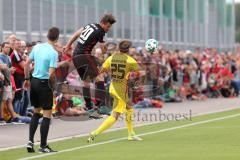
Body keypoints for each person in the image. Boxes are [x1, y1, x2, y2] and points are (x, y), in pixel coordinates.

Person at [87, 40, 143, 143]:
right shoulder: (130, 60)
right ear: (128, 50)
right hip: (120, 90)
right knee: (115, 115)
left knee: (129, 108)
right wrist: (135, 82)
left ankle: (131, 134)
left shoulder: (111, 58)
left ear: (119, 48)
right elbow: (141, 72)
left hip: (113, 87)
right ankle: (95, 133)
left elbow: (101, 70)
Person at [64, 13, 116, 111]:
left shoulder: (90, 25)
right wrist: (105, 50)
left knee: (86, 83)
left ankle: (89, 107)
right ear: (103, 23)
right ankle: (102, 107)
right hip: (84, 56)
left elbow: (76, 34)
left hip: (76, 56)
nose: (108, 29)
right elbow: (103, 49)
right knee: (100, 78)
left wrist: (68, 45)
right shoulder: (100, 31)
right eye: (108, 26)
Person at [24, 27, 60, 153]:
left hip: (33, 82)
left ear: (47, 35)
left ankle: (30, 141)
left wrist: (27, 79)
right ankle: (43, 146)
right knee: (47, 115)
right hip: (44, 84)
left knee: (36, 112)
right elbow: (51, 74)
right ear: (57, 38)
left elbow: (27, 63)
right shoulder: (54, 53)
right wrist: (53, 87)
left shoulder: (37, 47)